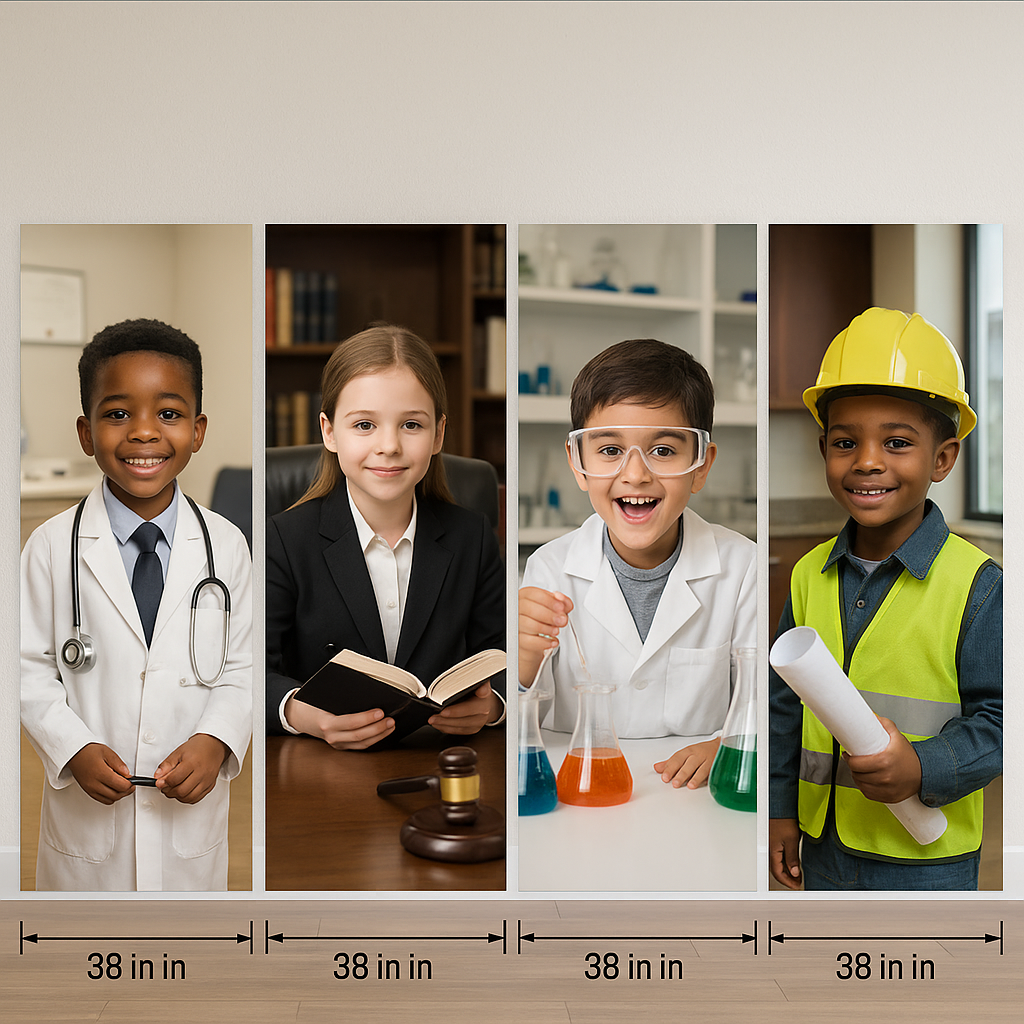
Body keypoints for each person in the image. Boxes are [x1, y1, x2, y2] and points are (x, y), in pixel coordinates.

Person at [769, 307, 1002, 891]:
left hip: (927, 857)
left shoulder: (977, 585)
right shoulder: (808, 574)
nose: (867, 460)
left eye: (897, 442)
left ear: (943, 458)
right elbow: (783, 709)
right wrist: (779, 809)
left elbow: (1004, 720)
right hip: (824, 843)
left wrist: (924, 765)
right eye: (845, 442)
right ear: (824, 449)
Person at [21, 319, 253, 891]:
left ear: (198, 431)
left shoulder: (227, 545)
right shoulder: (50, 545)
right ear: (86, 432)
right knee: (84, 943)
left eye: (169, 414)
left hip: (188, 832)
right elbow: (25, 669)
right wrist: (71, 747)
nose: (144, 432)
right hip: (86, 836)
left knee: (186, 942)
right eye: (118, 413)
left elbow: (243, 667)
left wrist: (217, 739)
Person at [519, 339, 756, 788]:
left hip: (692, 798)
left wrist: (729, 743)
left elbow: (762, 702)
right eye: (610, 450)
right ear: (578, 463)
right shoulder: (550, 568)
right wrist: (523, 662)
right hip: (583, 791)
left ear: (701, 466)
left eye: (663, 451)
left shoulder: (744, 567)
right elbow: (523, 723)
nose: (635, 474)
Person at [266, 324, 505, 746]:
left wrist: (493, 706)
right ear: (329, 431)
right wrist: (304, 716)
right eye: (364, 425)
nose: (389, 445)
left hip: (440, 757)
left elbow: (503, 657)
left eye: (411, 424)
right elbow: (251, 670)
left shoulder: (473, 536)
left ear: (439, 434)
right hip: (321, 766)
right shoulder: (285, 539)